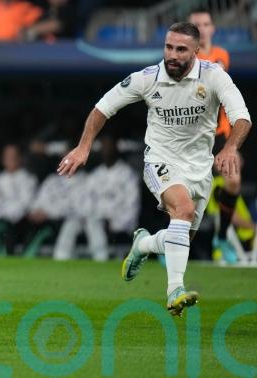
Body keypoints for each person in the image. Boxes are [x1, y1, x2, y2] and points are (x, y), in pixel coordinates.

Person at [58, 22, 251, 317]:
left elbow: (242, 118)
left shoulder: (213, 76)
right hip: (160, 160)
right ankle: (175, 291)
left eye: (181, 49)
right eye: (168, 47)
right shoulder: (147, 78)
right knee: (183, 210)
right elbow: (102, 108)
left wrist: (230, 148)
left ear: (196, 51)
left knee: (180, 238)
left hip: (199, 168)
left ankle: (143, 244)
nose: (172, 54)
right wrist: (83, 147)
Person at [188, 9, 239, 264]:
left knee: (233, 182)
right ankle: (172, 244)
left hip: (219, 134)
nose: (202, 28)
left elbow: (216, 84)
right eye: (196, 24)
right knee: (184, 194)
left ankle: (221, 236)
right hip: (192, 135)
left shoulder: (221, 55)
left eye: (206, 24)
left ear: (213, 28)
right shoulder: (184, 57)